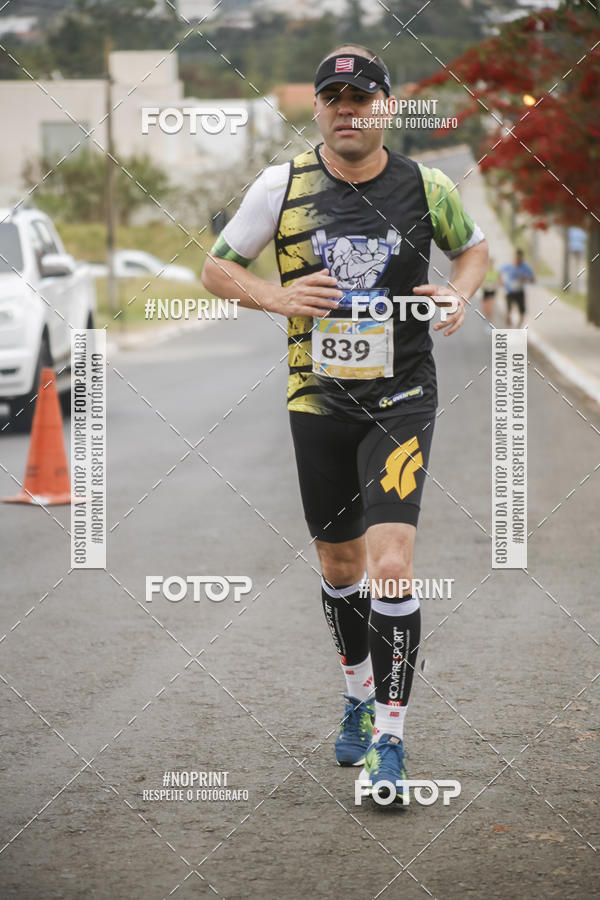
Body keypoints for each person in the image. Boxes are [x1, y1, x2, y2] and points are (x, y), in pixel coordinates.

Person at [202, 44, 488, 805]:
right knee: (340, 567)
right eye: (333, 97)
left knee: (392, 565)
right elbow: (217, 267)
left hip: (402, 398)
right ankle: (357, 696)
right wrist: (277, 298)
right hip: (318, 402)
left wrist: (458, 294)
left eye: (361, 97)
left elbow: (474, 250)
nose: (347, 109)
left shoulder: (427, 186)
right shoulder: (281, 185)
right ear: (319, 109)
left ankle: (390, 742)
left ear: (385, 107)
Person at [501, 249, 534, 328]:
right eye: (516, 258)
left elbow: (532, 279)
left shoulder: (525, 267)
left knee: (522, 312)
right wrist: (502, 282)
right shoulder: (509, 265)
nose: (517, 260)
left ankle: (518, 328)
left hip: (519, 291)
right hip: (509, 291)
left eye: (519, 259)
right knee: (508, 311)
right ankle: (507, 328)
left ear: (521, 258)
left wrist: (524, 278)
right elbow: (500, 271)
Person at [481, 257, 500, 328]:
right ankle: (487, 321)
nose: (490, 264)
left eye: (491, 263)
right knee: (484, 310)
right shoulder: (484, 272)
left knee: (490, 309)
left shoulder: (496, 272)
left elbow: (499, 282)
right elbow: (481, 283)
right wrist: (485, 285)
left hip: (492, 292)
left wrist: (494, 285)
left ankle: (490, 324)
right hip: (485, 292)